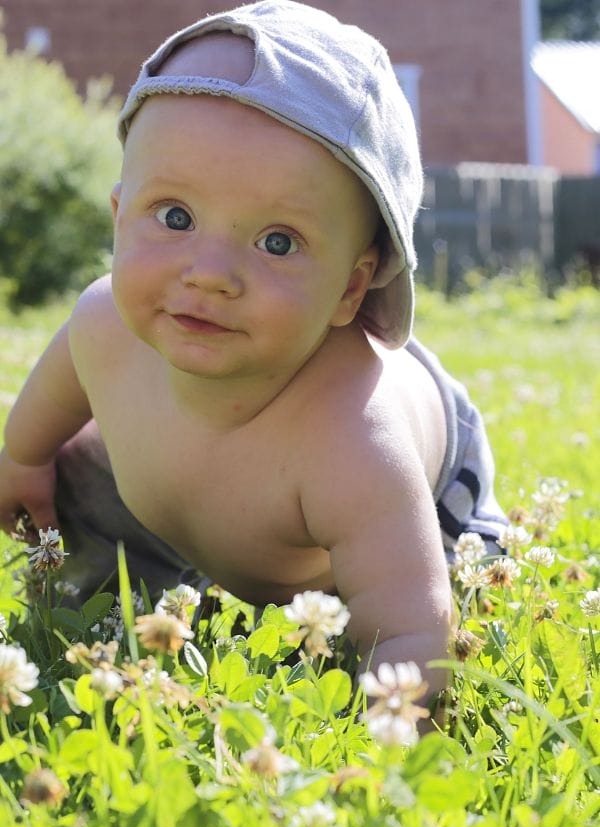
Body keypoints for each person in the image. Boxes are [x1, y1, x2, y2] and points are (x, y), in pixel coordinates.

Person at [0, 0, 505, 697]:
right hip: (189, 498)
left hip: (433, 480)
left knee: (451, 595)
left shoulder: (355, 442)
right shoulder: (103, 324)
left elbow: (413, 629)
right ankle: (113, 602)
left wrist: (400, 734)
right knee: (81, 470)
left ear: (350, 290)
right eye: (175, 217)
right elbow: (53, 396)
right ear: (119, 218)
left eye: (277, 242)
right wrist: (23, 460)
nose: (209, 273)